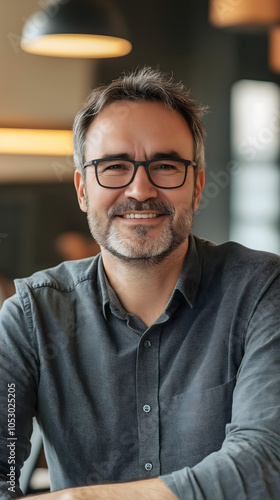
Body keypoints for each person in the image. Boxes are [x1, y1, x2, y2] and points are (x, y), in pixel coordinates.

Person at [0, 67, 279, 500]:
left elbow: (266, 462)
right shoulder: (31, 316)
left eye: (166, 166)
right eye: (114, 166)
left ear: (198, 186)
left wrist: (79, 498)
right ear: (82, 190)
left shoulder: (261, 291)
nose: (140, 189)